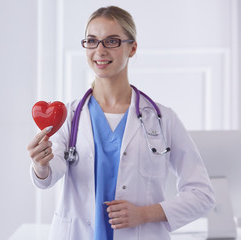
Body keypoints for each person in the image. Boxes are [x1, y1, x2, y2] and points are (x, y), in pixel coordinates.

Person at [27, 5, 215, 240]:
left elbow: (202, 194)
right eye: (92, 41)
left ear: (132, 48)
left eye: (112, 41)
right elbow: (48, 176)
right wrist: (40, 164)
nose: (100, 50)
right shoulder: (70, 116)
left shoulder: (163, 119)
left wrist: (145, 214)